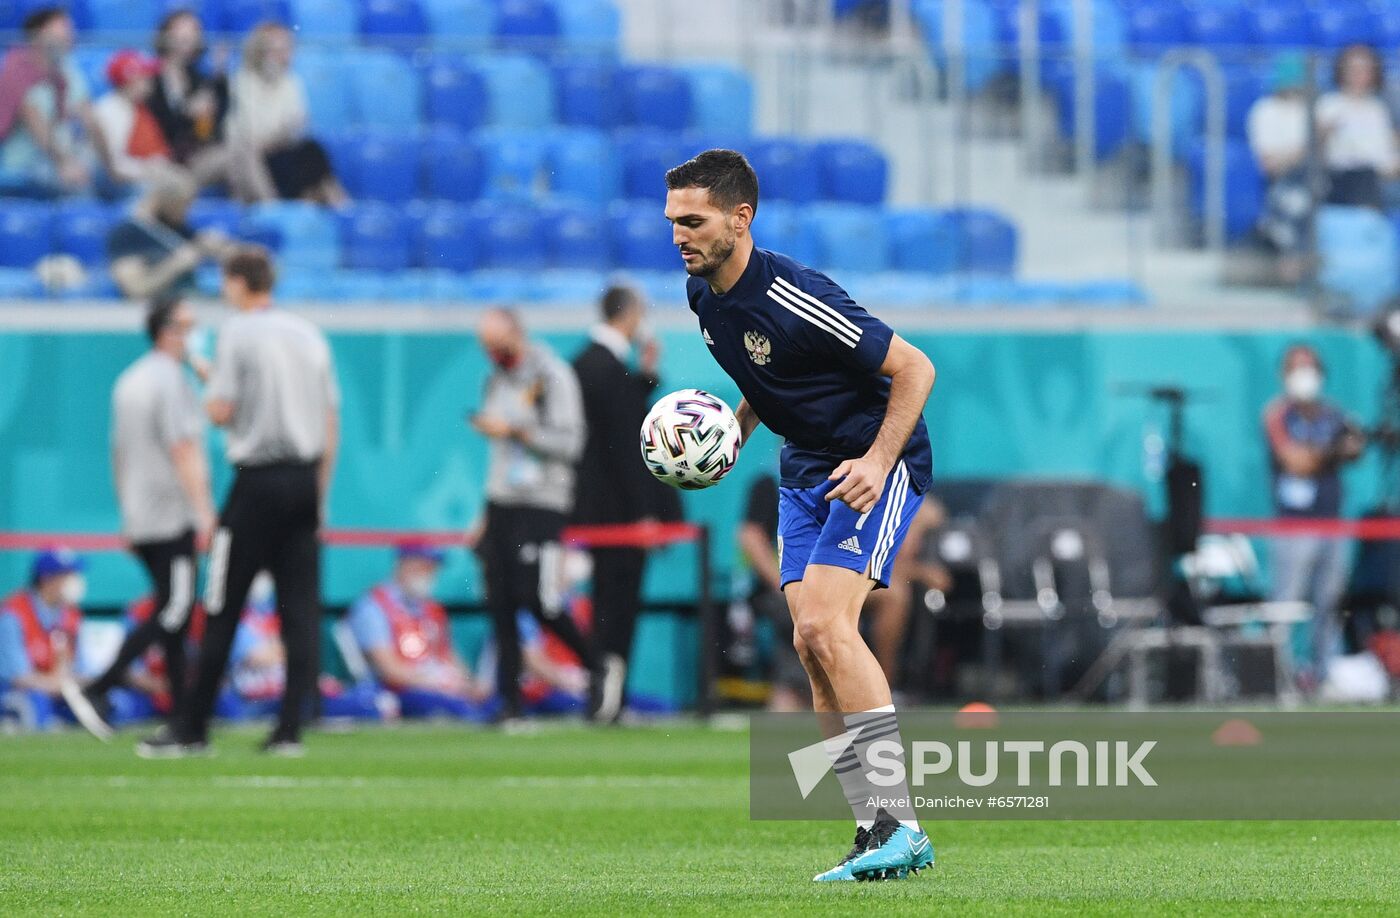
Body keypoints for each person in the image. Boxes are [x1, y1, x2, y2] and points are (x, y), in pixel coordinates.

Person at [664, 149, 936, 882]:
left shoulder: (796, 294)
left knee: (824, 625)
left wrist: (879, 463)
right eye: (672, 223)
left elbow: (915, 369)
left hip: (870, 467)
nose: (680, 236)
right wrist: (736, 431)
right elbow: (771, 376)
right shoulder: (704, 297)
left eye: (694, 221)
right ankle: (870, 826)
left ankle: (905, 825)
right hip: (803, 470)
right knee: (812, 648)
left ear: (740, 219)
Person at [138, 245, 340, 758]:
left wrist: (209, 386)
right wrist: (321, 492)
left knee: (223, 603)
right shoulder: (308, 334)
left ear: (235, 282)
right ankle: (291, 729)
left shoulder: (237, 332)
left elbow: (224, 411)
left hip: (257, 483)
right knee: (299, 609)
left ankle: (192, 727)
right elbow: (330, 420)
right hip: (303, 481)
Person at [81, 295, 215, 733]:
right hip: (171, 513)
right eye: (187, 325)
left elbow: (117, 453)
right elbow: (184, 449)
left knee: (169, 610)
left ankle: (180, 714)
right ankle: (100, 684)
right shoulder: (171, 381)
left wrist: (127, 513)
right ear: (168, 331)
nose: (195, 333)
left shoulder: (129, 380)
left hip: (142, 512)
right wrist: (204, 511)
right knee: (176, 608)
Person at [471, 307, 598, 722]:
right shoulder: (496, 380)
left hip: (543, 502)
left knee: (538, 598)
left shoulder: (553, 375)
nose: (494, 354)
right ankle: (510, 700)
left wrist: (515, 431)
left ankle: (597, 667)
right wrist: (484, 516)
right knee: (501, 602)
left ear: (517, 334)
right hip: (503, 501)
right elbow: (498, 459)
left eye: (499, 345)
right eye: (487, 347)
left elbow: (571, 443)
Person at [571, 284, 675, 722]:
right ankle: (608, 693)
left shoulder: (589, 364)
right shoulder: (604, 366)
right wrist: (645, 513)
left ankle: (606, 693)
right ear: (629, 314)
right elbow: (624, 447)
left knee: (608, 601)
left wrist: (645, 377)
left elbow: (619, 416)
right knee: (618, 604)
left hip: (598, 512)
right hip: (618, 516)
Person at [1264, 344, 1364, 690]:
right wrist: (1333, 451)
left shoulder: (1333, 414)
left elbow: (1355, 449)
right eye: (1296, 368)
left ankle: (1324, 676)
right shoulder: (1278, 414)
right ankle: (1277, 676)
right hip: (1294, 526)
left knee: (1330, 605)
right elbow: (1296, 462)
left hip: (1331, 524)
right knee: (1286, 606)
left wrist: (1344, 447)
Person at [347, 542, 496, 721]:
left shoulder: (432, 609)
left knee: (493, 705)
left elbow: (449, 657)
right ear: (405, 564)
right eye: (424, 567)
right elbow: (389, 670)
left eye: (432, 569)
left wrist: (468, 685)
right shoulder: (373, 607)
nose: (430, 575)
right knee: (456, 710)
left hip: (440, 688)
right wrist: (435, 682)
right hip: (401, 692)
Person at [216, 573, 383, 723]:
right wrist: (287, 649)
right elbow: (259, 656)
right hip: (256, 698)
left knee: (363, 700)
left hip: (287, 690)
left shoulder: (271, 614)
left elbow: (296, 649)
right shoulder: (232, 617)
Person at [0, 549, 128, 733]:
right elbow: (18, 677)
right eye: (68, 575)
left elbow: (83, 670)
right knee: (36, 704)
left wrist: (85, 686)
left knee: (114, 701)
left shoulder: (71, 615)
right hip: (17, 693)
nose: (76, 581)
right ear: (47, 579)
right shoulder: (13, 615)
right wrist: (63, 686)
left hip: (61, 691)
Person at [224, 22, 345, 205]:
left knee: (312, 150)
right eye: (275, 51)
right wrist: (278, 133)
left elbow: (298, 123)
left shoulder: (291, 82)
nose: (283, 57)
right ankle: (273, 206)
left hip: (281, 150)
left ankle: (338, 203)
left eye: (286, 50)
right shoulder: (243, 82)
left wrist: (279, 134)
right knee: (250, 152)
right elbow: (251, 133)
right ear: (260, 53)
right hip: (253, 157)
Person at [0, 7, 105, 195]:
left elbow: (89, 117)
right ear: (39, 34)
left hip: (70, 155)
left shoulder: (68, 68)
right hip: (29, 162)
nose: (69, 34)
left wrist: (109, 164)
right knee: (75, 188)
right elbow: (37, 127)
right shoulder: (17, 69)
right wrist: (65, 163)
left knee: (107, 179)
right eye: (62, 28)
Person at [859, 498, 951, 690]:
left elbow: (933, 512)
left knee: (899, 591)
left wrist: (912, 524)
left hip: (879, 574)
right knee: (894, 595)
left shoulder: (897, 491)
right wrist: (919, 572)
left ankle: (887, 689)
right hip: (828, 577)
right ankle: (881, 689)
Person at [737, 473, 809, 712]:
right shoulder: (770, 483)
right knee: (809, 622)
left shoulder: (838, 476)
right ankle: (789, 695)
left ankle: (887, 692)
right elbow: (749, 536)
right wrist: (783, 582)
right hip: (784, 592)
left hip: (828, 587)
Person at [107, 167, 234, 301]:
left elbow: (206, 246)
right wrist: (176, 265)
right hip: (154, 308)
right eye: (182, 205)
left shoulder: (175, 226)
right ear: (162, 201)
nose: (186, 212)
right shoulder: (126, 234)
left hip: (190, 301)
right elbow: (135, 289)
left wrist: (218, 248)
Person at [1247, 52, 1312, 282]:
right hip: (1281, 183)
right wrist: (1303, 152)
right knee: (1296, 200)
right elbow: (1270, 164)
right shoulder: (1264, 110)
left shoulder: (1312, 109)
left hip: (1316, 179)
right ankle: (1293, 271)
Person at [148, 9, 231, 186]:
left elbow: (216, 126)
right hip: (166, 161)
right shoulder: (152, 78)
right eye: (180, 29)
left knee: (235, 151)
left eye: (194, 30)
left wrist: (220, 79)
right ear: (165, 35)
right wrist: (186, 113)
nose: (187, 36)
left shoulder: (198, 78)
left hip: (199, 155)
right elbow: (157, 126)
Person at [1317, 44, 1398, 209]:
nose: (1360, 75)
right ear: (1342, 71)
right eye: (1354, 69)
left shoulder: (1378, 107)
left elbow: (1387, 153)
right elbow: (1322, 154)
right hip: (1346, 182)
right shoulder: (1329, 105)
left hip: (1382, 179)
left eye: (1366, 69)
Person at [91, 49, 171, 190]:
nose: (150, 82)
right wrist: (149, 171)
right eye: (145, 77)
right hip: (112, 184)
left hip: (137, 177)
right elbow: (114, 167)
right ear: (130, 80)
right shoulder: (109, 110)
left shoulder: (138, 107)